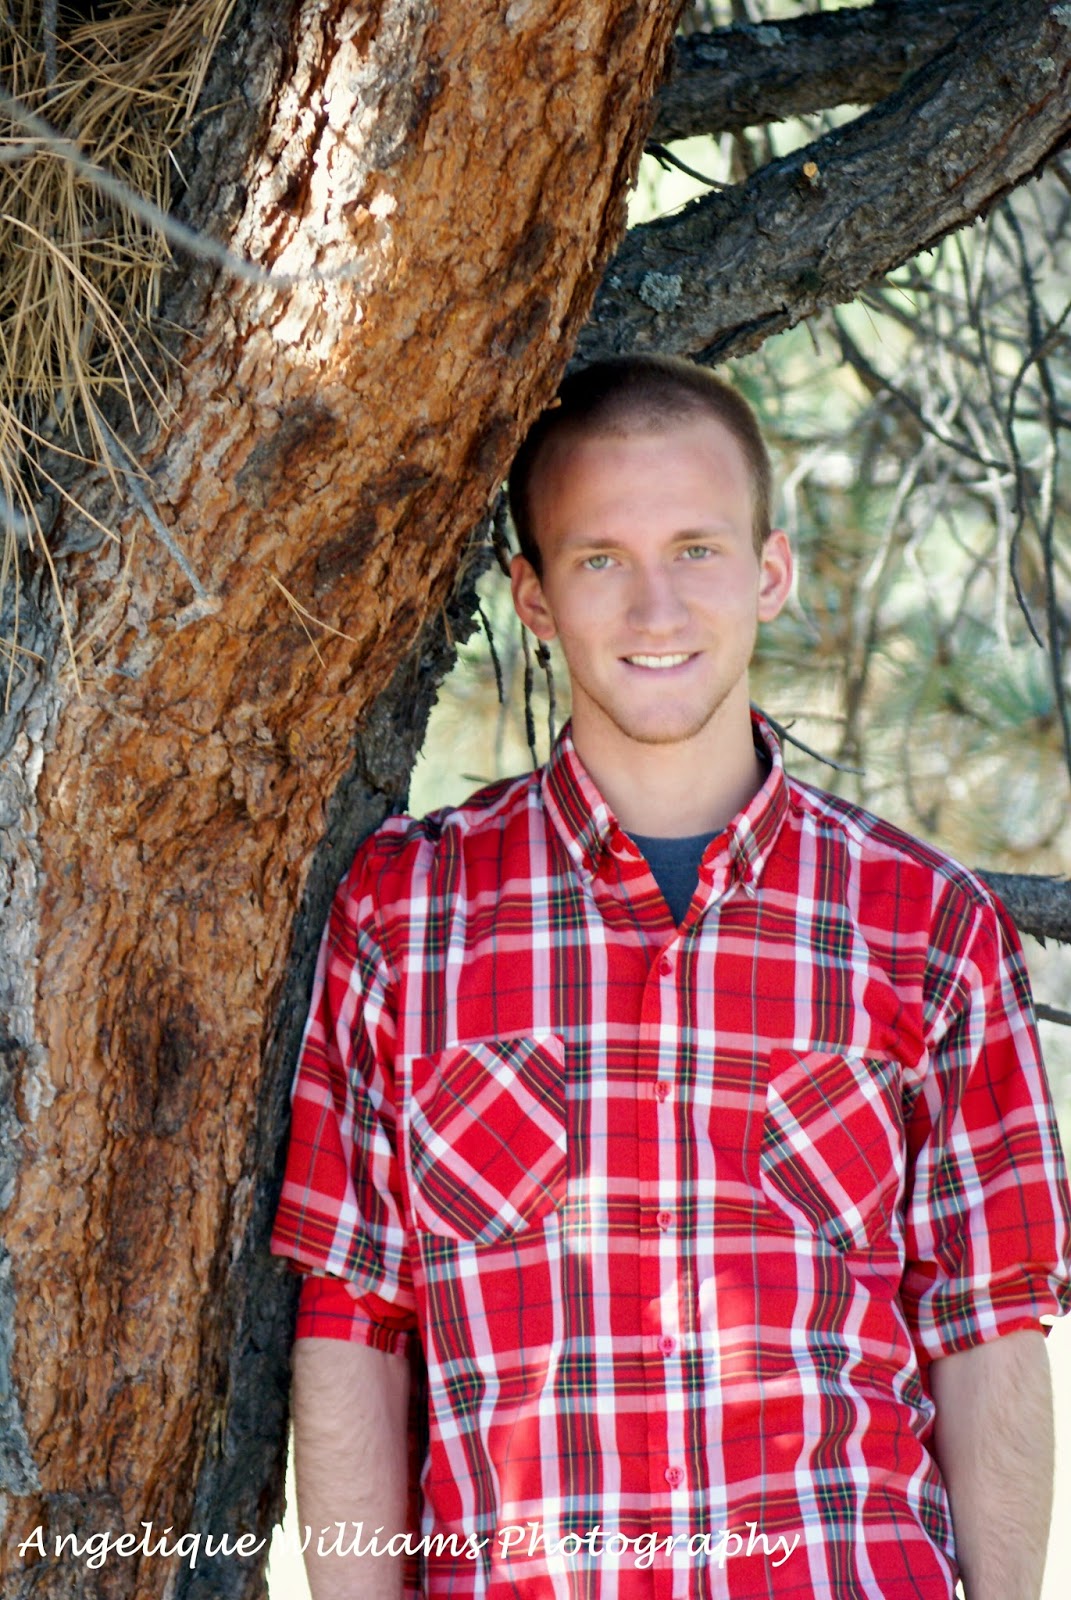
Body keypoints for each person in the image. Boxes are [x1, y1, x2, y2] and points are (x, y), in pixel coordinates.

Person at [270, 355, 1071, 1600]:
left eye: (697, 549)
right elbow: (354, 1329)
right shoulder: (405, 919)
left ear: (770, 571)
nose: (656, 609)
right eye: (602, 559)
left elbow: (984, 1332)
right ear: (534, 598)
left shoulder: (927, 926)